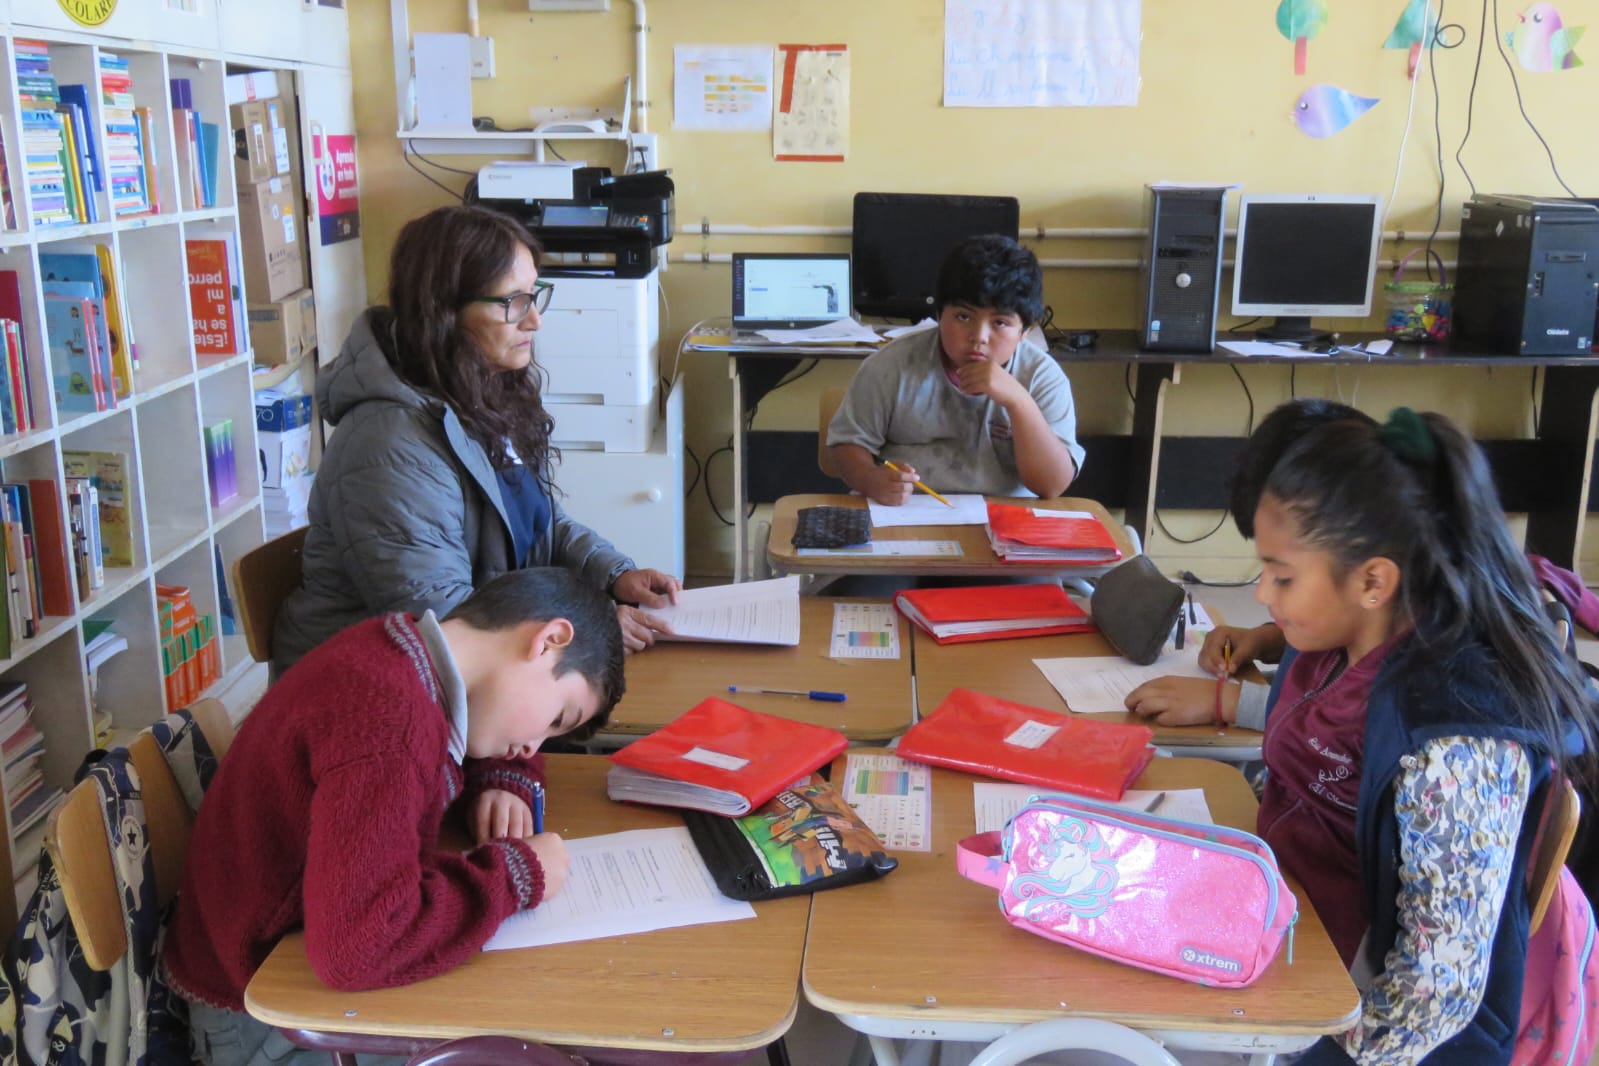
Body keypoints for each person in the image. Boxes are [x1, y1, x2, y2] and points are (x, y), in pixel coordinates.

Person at [1126, 400, 1599, 1064]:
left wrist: (1299, 1040)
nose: (1261, 595)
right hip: (1295, 942)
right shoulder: (1340, 643)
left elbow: (1434, 995)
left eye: (1282, 576)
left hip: (1359, 1022)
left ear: (1373, 581)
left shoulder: (1454, 743)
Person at [164, 567, 626, 1064]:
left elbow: (466, 722)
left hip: (273, 960)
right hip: (260, 1016)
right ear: (549, 640)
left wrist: (502, 775)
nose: (534, 746)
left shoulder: (400, 649)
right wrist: (517, 875)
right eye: (557, 718)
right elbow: (357, 948)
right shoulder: (389, 725)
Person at [272, 204, 680, 675]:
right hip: (365, 687)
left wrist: (614, 574)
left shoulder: (474, 393)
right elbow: (444, 619)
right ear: (443, 313)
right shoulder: (388, 445)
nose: (535, 321)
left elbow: (538, 522)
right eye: (513, 302)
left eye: (535, 295)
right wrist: (590, 625)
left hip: (467, 669)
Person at [826, 234, 1084, 505]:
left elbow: (1051, 486)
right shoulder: (891, 365)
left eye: (1000, 323)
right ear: (939, 315)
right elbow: (847, 444)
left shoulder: (1042, 377)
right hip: (906, 511)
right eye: (963, 317)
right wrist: (870, 478)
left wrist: (1019, 402)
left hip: (1006, 515)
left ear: (1025, 331)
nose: (979, 337)